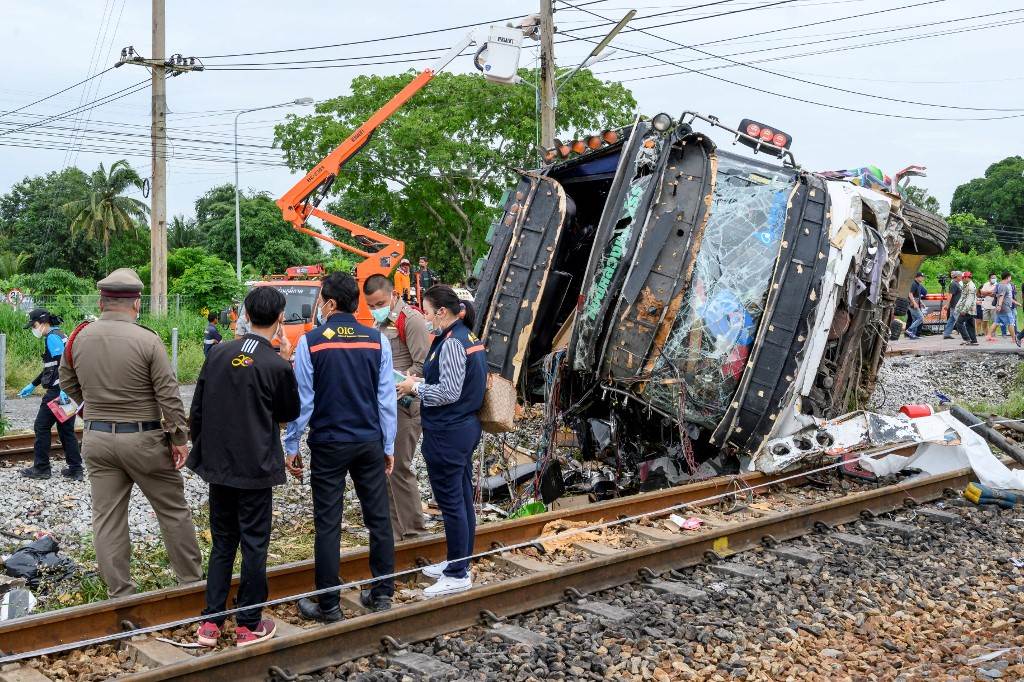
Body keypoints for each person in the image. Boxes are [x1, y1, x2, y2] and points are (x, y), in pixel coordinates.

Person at [58, 268, 202, 598]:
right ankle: (191, 585)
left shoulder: (78, 338)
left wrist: (91, 404)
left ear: (101, 301)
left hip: (96, 440)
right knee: (172, 510)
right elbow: (168, 394)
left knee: (107, 519)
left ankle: (120, 595)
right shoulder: (147, 340)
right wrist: (179, 439)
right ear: (136, 303)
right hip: (144, 440)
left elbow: (66, 383)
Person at [190, 287, 300, 648]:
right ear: (280, 319)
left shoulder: (218, 353)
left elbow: (198, 411)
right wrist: (284, 359)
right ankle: (248, 623)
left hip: (219, 467)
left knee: (223, 542)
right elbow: (288, 413)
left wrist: (204, 452)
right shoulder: (276, 364)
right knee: (254, 544)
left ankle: (210, 623)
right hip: (255, 469)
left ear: (246, 316)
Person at [284, 273, 397, 621]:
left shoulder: (311, 343)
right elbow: (386, 400)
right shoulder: (377, 341)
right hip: (368, 442)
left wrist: (291, 444)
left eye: (320, 300)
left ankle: (329, 605)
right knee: (378, 519)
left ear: (331, 304)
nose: (319, 306)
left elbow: (304, 402)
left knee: (328, 523)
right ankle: (381, 595)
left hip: (329, 444)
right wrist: (388, 444)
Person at [396, 285, 487, 598]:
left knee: (452, 502)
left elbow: (448, 393)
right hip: (462, 428)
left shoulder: (450, 343)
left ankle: (458, 572)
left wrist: (414, 388)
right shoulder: (466, 337)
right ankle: (458, 559)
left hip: (449, 431)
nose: (424, 316)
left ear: (442, 312)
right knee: (460, 498)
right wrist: (418, 381)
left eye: (426, 310)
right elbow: (453, 384)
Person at [364, 274, 431, 542]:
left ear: (393, 294)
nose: (374, 308)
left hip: (405, 406)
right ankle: (394, 534)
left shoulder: (410, 320)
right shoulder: (378, 323)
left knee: (400, 468)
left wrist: (397, 378)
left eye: (379, 303)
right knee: (385, 469)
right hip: (383, 406)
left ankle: (415, 532)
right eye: (370, 305)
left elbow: (424, 365)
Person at [19, 309, 84, 481]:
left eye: (33, 325)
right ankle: (76, 470)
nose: (33, 329)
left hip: (57, 392)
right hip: (67, 390)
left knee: (41, 426)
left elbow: (62, 364)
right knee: (66, 430)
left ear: (42, 323)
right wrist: (33, 385)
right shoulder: (61, 334)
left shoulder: (52, 337)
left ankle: (41, 468)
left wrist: (62, 388)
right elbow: (52, 366)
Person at [954, 271, 979, 346]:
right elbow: (963, 298)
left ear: (966, 277)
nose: (962, 279)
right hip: (970, 309)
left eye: (963, 278)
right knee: (970, 325)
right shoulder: (967, 285)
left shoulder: (970, 286)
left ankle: (967, 339)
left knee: (959, 323)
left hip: (968, 309)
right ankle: (974, 340)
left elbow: (969, 299)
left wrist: (964, 310)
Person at [991, 271, 1016, 342]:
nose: (1010, 278)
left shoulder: (999, 284)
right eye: (1010, 277)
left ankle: (989, 335)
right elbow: (1001, 296)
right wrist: (999, 305)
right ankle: (1014, 338)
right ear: (1007, 277)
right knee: (1010, 322)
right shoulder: (1003, 285)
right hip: (1005, 307)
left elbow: (995, 294)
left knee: (996, 322)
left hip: (1002, 306)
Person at [906, 272, 927, 339]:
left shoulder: (918, 284)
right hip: (913, 304)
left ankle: (912, 335)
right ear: (917, 277)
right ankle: (909, 330)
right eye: (921, 276)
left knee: (915, 319)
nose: (923, 278)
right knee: (921, 318)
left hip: (916, 302)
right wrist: (914, 303)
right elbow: (910, 294)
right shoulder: (914, 283)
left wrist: (921, 303)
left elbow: (917, 296)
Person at [942, 271, 962, 339]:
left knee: (951, 320)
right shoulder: (954, 284)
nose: (962, 277)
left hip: (956, 305)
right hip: (955, 305)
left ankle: (946, 334)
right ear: (957, 276)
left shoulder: (957, 283)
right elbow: (950, 295)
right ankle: (966, 334)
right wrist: (947, 305)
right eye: (960, 276)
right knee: (960, 320)